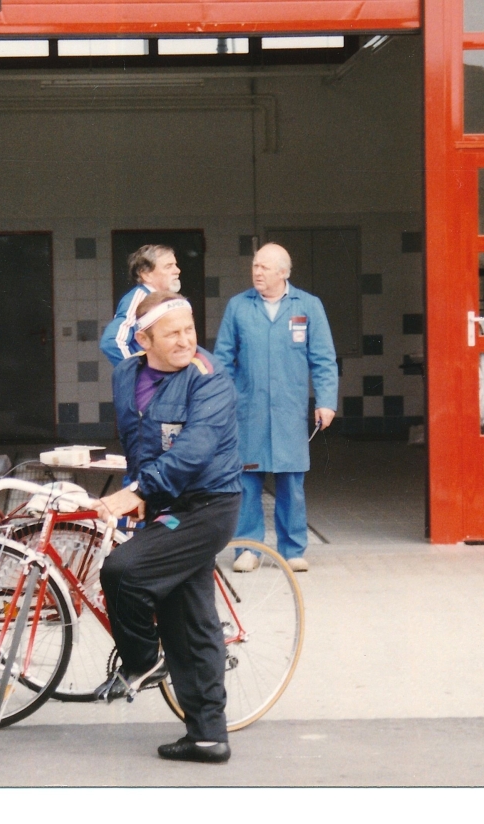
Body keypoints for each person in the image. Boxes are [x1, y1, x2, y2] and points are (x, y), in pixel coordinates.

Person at [92, 290, 242, 764]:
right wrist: (142, 491)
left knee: (122, 570)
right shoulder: (125, 374)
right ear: (143, 339)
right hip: (163, 501)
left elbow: (194, 450)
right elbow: (138, 438)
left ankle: (143, 661)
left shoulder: (208, 379)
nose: (186, 342)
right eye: (173, 333)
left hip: (207, 504)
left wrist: (136, 492)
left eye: (190, 330)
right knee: (191, 615)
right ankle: (207, 735)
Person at [213, 242, 337, 574]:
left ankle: (292, 549)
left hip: (289, 411)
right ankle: (247, 549)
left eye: (265, 267)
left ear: (283, 272)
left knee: (291, 482)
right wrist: (221, 403)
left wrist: (326, 401)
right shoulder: (239, 307)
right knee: (247, 482)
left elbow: (323, 359)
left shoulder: (308, 306)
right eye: (255, 266)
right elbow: (222, 359)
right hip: (248, 410)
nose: (257, 272)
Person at [99, 244, 181, 366]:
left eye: (175, 265)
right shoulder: (139, 299)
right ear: (146, 275)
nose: (177, 270)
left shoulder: (163, 299)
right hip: (150, 383)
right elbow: (112, 341)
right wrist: (136, 374)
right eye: (168, 266)